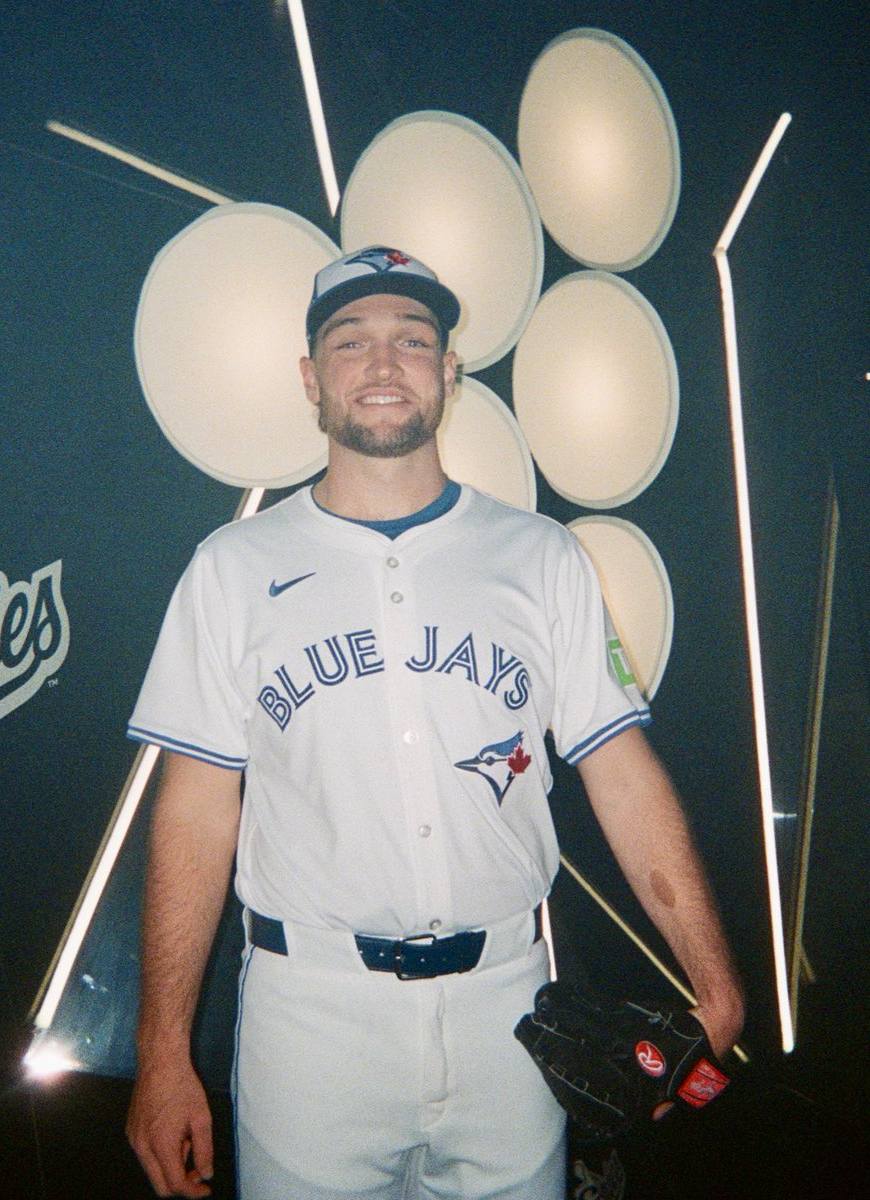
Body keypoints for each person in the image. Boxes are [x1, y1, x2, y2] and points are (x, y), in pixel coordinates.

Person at [125, 246, 744, 1200]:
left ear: (449, 373)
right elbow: (196, 811)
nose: (383, 365)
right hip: (312, 1022)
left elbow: (620, 771)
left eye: (414, 341)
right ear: (309, 378)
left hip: (509, 1006)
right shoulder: (232, 568)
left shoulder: (539, 557)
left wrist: (717, 983)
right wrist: (163, 1052)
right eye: (351, 342)